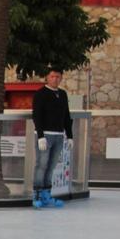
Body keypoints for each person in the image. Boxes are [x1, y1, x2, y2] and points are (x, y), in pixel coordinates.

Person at [31, 67, 72, 209]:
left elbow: (66, 115)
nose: (55, 79)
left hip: (58, 135)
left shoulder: (62, 94)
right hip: (45, 135)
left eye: (58, 76)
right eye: (52, 76)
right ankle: (36, 194)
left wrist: (70, 135)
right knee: (41, 165)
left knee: (51, 166)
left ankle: (46, 193)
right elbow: (36, 115)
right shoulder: (41, 94)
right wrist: (40, 135)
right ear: (47, 78)